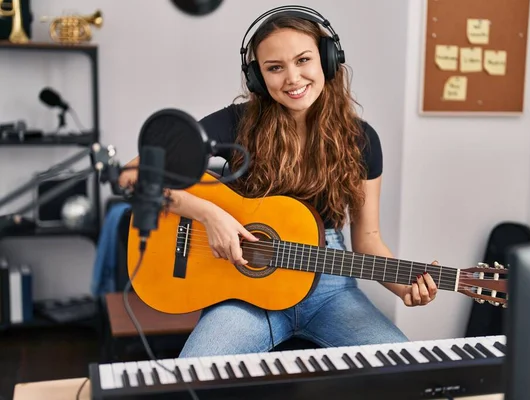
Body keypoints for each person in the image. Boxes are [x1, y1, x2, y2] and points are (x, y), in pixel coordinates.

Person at [118, 6, 438, 358]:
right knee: (194, 373)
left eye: (303, 60)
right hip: (245, 288)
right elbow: (133, 175)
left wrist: (405, 286)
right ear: (257, 77)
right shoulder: (235, 124)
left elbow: (369, 239)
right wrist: (209, 214)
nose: (292, 78)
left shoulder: (362, 140)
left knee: (401, 364)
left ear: (328, 61)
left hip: (329, 287)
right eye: (275, 68)